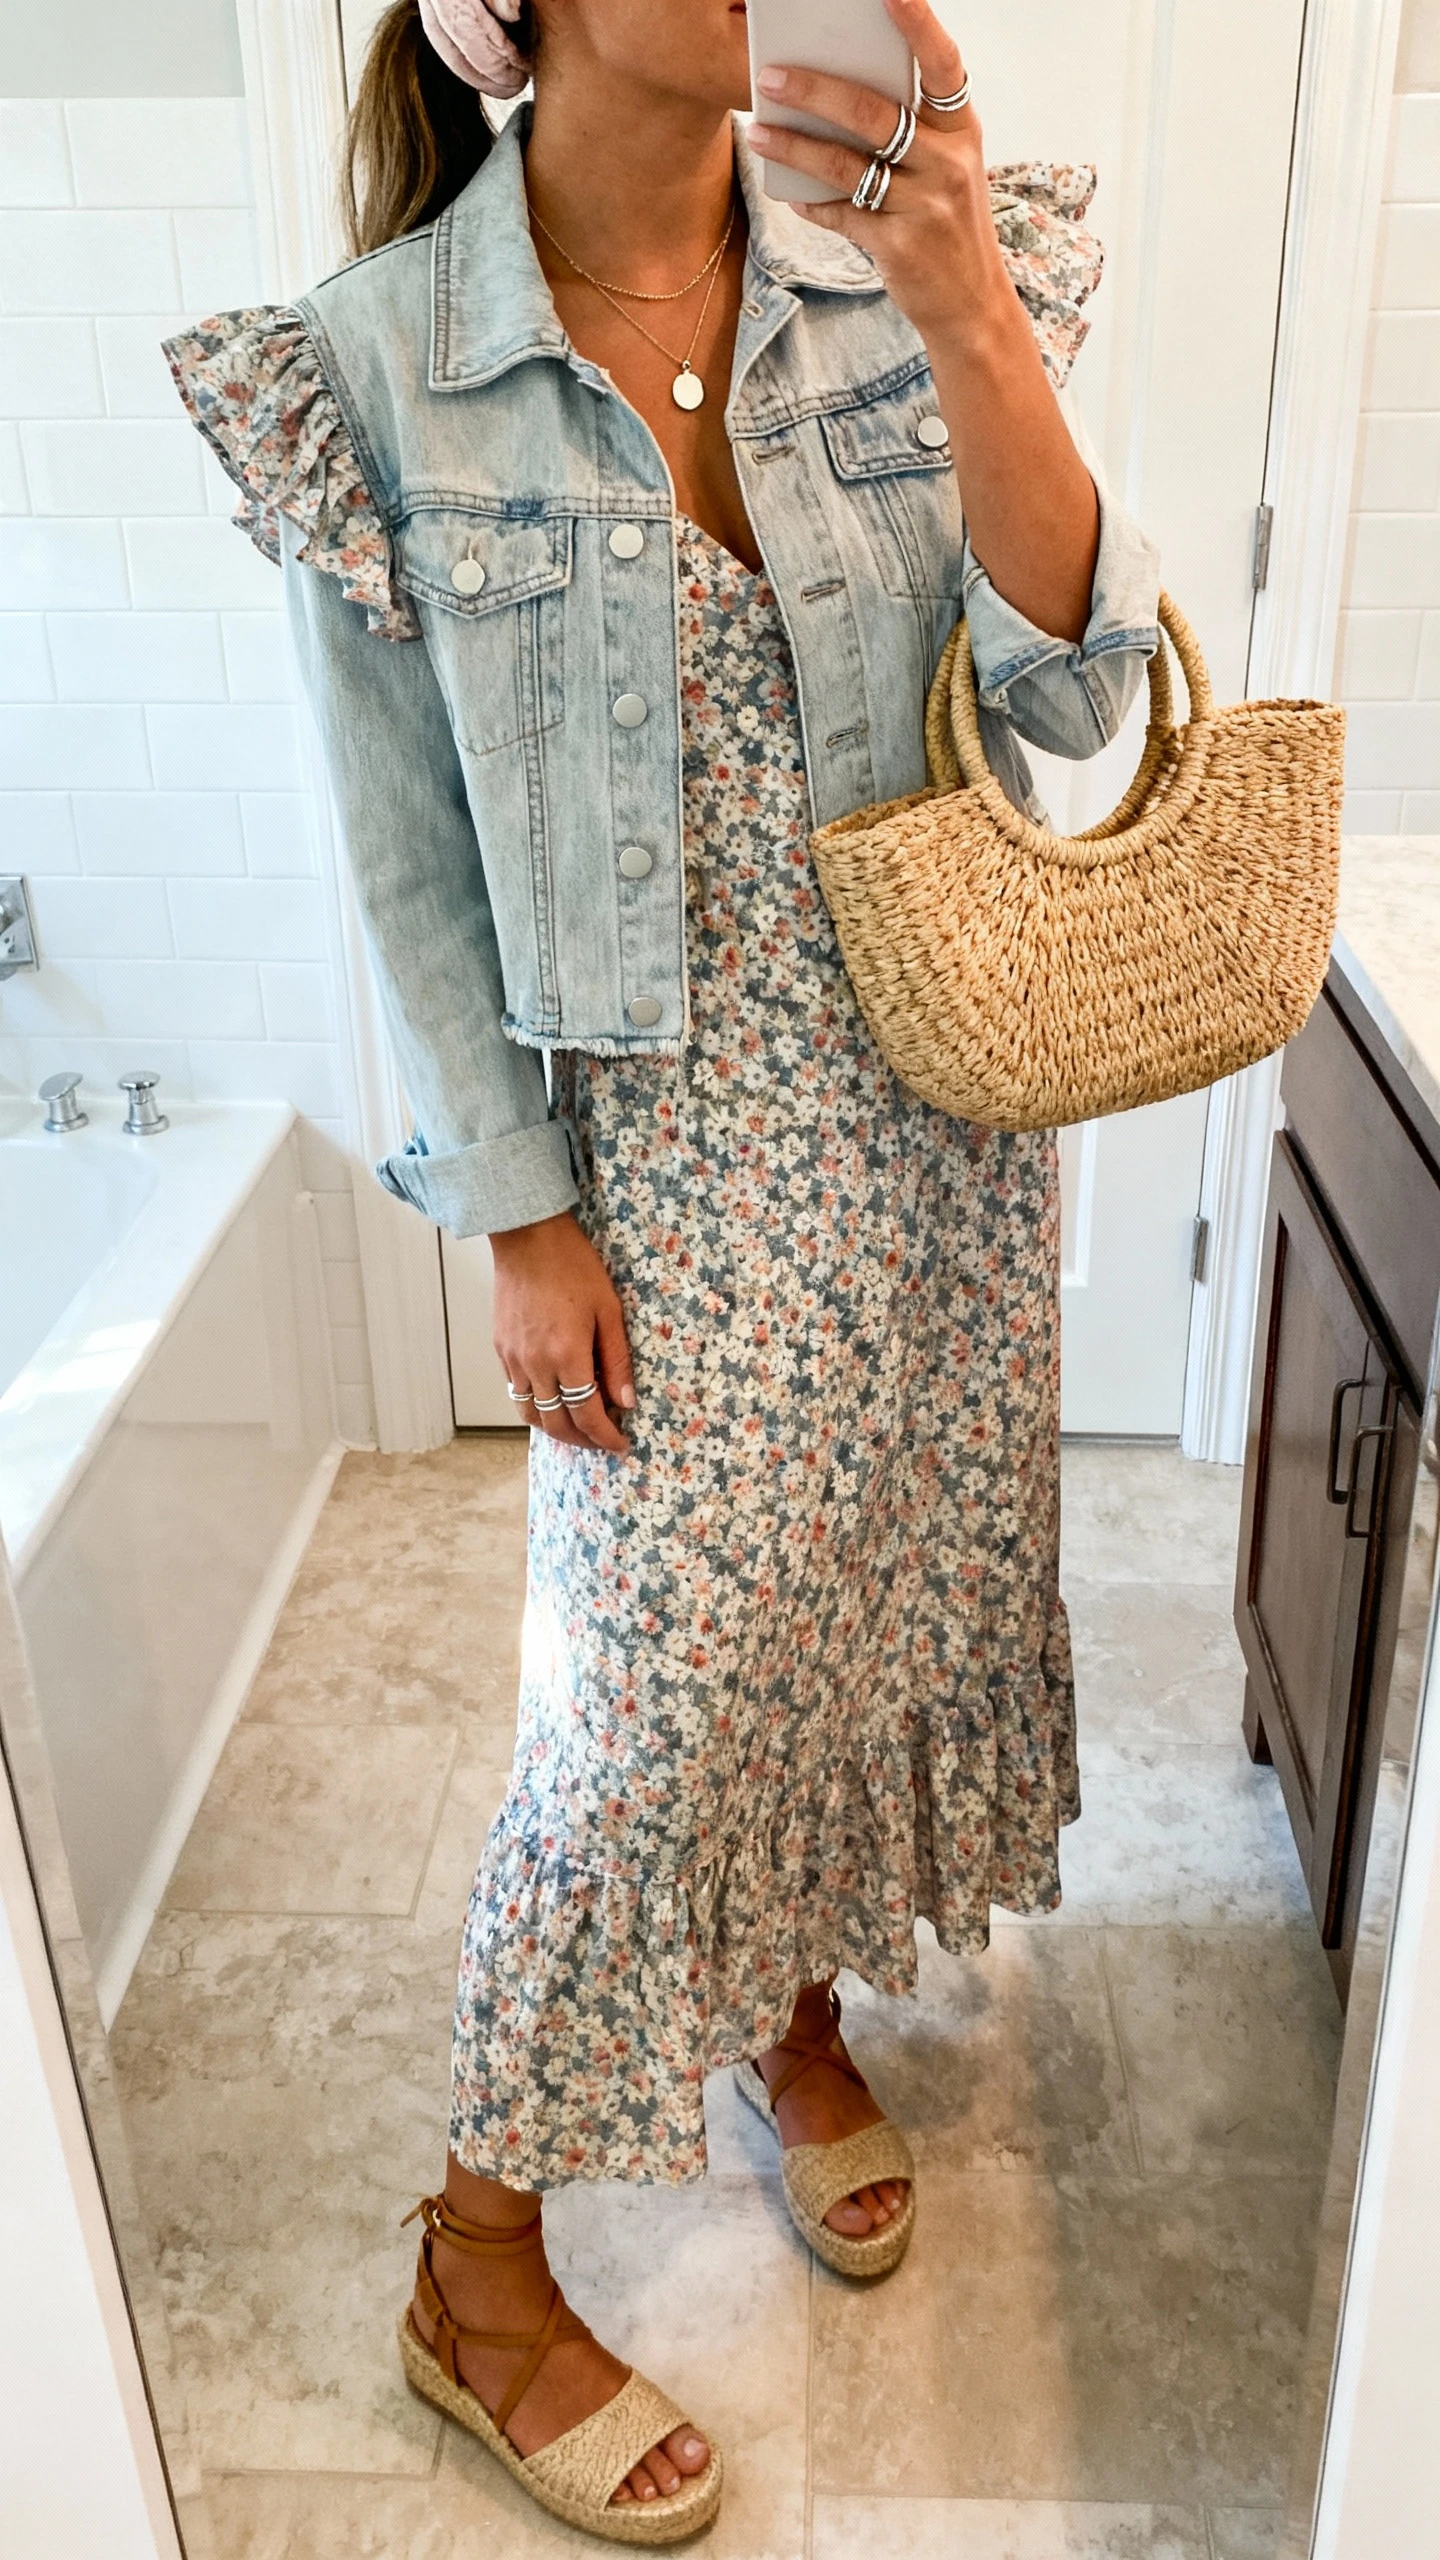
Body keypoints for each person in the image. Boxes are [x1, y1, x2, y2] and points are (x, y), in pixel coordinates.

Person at [168, 0, 1159, 2536]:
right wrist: (521, 1212)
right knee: (635, 1728)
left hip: (936, 1129)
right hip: (654, 1175)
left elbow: (1073, 693)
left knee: (863, 1603)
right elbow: (408, 852)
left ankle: (783, 2011)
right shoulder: (382, 366)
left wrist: (968, 304)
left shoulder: (895, 271)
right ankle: (478, 2263)